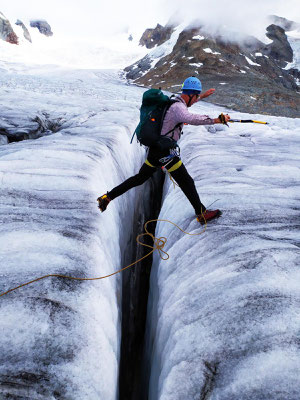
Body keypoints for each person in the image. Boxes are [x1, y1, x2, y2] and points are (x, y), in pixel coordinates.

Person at [97, 76, 230, 224]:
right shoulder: (178, 108)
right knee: (186, 181)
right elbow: (191, 118)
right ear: (190, 95)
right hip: (165, 152)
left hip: (156, 149)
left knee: (140, 178)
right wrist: (216, 120)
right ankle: (201, 213)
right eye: (196, 96)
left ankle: (108, 197)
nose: (196, 99)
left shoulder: (175, 100)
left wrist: (203, 96)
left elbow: (187, 108)